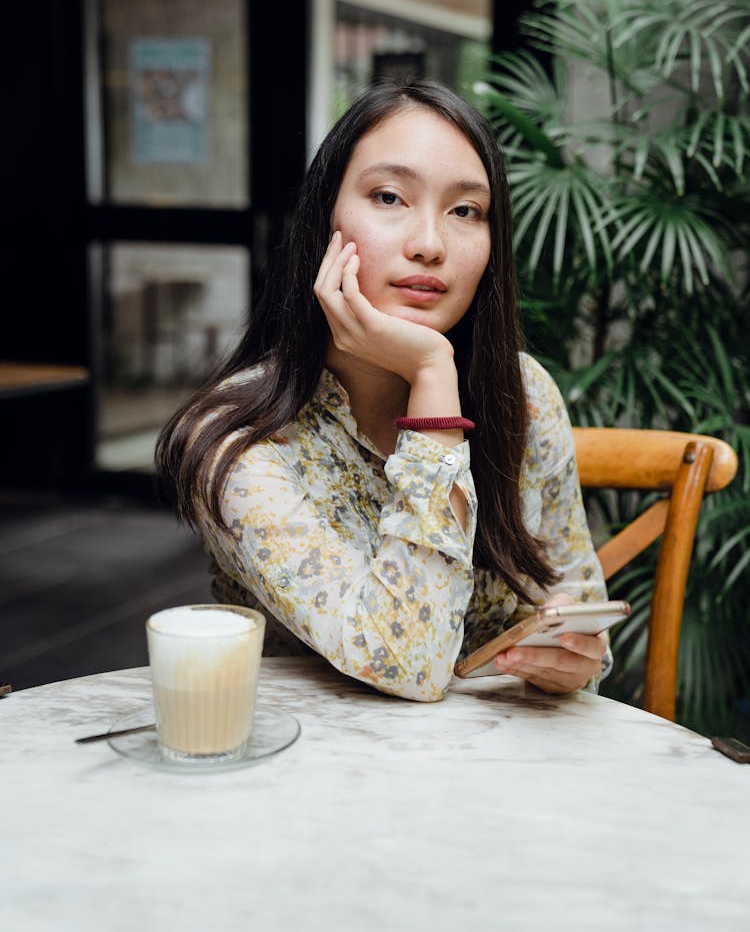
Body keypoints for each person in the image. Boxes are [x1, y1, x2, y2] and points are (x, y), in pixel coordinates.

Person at [155, 79, 610, 703]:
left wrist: (574, 657)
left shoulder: (525, 396)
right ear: (325, 222)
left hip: (497, 774)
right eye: (389, 196)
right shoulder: (238, 439)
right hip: (309, 773)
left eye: (465, 211)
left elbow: (581, 608)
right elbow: (407, 662)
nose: (429, 243)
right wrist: (431, 377)